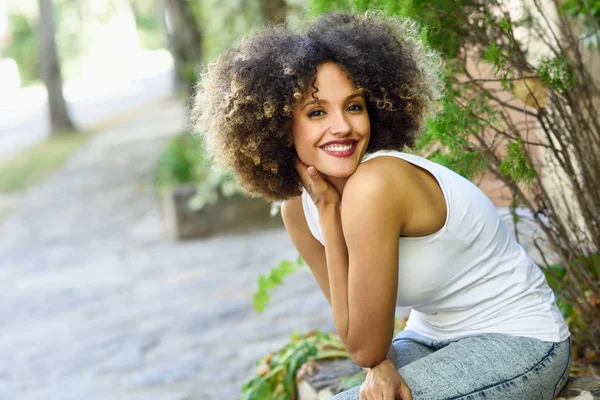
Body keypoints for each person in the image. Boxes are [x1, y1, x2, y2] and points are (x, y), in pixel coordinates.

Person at [192, 11, 571, 400]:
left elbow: (364, 345)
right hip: (428, 338)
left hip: (519, 341)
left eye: (354, 106)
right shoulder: (297, 209)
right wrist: (382, 366)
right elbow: (359, 333)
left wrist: (329, 216)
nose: (343, 126)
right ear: (280, 124)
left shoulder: (377, 183)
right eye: (317, 112)